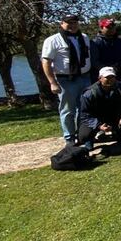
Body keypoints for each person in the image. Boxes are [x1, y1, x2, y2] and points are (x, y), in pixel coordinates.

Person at [41, 14, 92, 148]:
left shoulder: (84, 38)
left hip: (85, 77)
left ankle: (84, 136)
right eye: (69, 23)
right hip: (66, 80)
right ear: (62, 23)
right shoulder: (53, 40)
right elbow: (46, 62)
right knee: (68, 111)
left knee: (85, 109)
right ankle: (69, 138)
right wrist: (52, 82)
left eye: (75, 22)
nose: (73, 25)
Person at [76, 67, 121, 150]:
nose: (110, 80)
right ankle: (89, 140)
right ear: (100, 78)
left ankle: (118, 133)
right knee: (84, 135)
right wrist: (99, 125)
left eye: (112, 77)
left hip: (113, 116)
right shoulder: (89, 93)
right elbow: (84, 115)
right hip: (96, 118)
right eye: (107, 77)